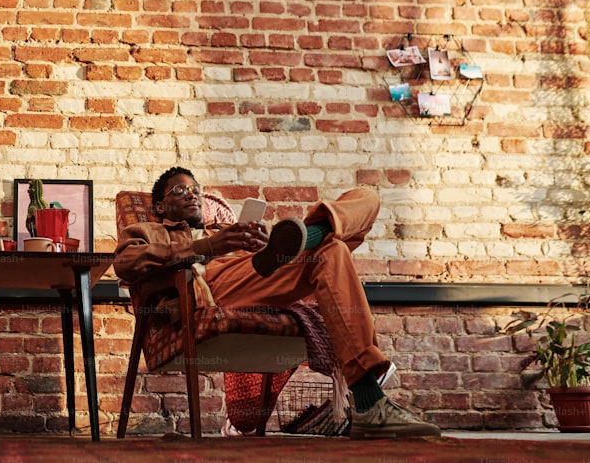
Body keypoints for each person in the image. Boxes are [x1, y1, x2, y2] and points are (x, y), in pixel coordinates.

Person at [113, 166, 441, 440]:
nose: (193, 194)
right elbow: (126, 263)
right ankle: (370, 400)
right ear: (159, 207)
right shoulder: (150, 230)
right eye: (180, 192)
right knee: (331, 249)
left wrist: (251, 243)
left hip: (258, 272)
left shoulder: (227, 229)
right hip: (209, 291)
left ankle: (307, 240)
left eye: (196, 189)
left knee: (362, 206)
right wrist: (211, 246)